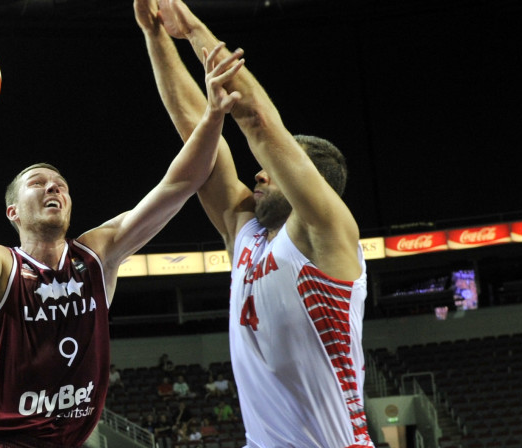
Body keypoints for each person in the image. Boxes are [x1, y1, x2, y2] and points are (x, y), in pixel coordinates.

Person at [0, 36, 242, 447]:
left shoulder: (97, 254)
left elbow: (180, 183)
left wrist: (212, 116)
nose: (54, 188)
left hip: (66, 441)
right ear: (13, 212)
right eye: (38, 183)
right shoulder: (3, 269)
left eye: (61, 185)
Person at [136, 0, 374, 446]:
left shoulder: (326, 234)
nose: (259, 173)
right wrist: (156, 37)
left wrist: (189, 28)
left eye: (271, 170)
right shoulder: (245, 234)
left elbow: (259, 124)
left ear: (308, 182)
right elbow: (196, 134)